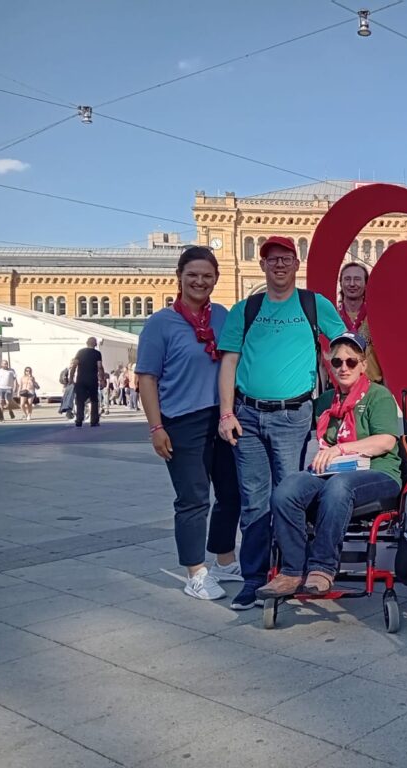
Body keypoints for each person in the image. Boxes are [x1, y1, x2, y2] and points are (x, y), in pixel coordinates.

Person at [217, 235, 347, 610]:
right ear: (262, 265)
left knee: (288, 497)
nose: (279, 265)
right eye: (272, 259)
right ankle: (255, 578)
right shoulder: (246, 308)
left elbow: (343, 346)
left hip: (293, 416)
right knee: (254, 502)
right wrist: (226, 414)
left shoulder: (313, 304)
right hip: (248, 417)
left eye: (285, 258)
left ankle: (290, 570)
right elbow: (229, 362)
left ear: (296, 264)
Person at [258, 332, 402, 598]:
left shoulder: (378, 396)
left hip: (378, 473)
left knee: (339, 486)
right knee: (286, 490)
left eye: (350, 362)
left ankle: (322, 568)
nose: (343, 368)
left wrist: (340, 449)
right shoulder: (326, 402)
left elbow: (385, 441)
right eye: (337, 363)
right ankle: (291, 571)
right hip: (333, 473)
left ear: (362, 364)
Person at [138, 246, 243, 601]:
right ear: (179, 277)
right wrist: (156, 427)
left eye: (207, 276)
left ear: (216, 279)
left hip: (223, 416)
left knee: (231, 493)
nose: (200, 281)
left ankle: (225, 561)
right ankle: (195, 571)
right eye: (193, 275)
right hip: (182, 421)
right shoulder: (160, 324)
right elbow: (147, 378)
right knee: (193, 498)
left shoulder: (223, 317)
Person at [337, 262, 382, 383]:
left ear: (366, 284)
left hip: (373, 387)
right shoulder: (333, 317)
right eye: (347, 279)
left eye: (357, 279)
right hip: (340, 388)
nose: (352, 284)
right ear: (341, 283)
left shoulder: (377, 317)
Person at [71, 337, 105, 427]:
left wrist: (71, 378)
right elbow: (99, 366)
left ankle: (79, 419)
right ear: (95, 344)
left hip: (81, 379)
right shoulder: (97, 353)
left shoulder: (80, 352)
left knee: (80, 400)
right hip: (92, 379)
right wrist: (102, 379)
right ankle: (94, 421)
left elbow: (74, 365)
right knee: (94, 400)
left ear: (86, 343)